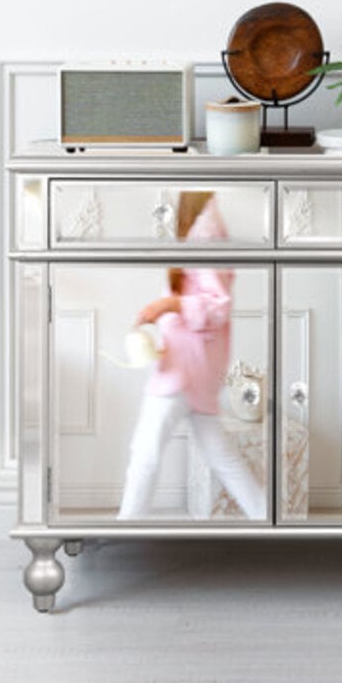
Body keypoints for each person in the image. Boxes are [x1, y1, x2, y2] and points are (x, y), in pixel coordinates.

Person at [117, 191, 265, 521]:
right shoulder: (204, 229)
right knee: (220, 456)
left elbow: (217, 306)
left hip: (184, 368)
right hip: (196, 365)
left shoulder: (205, 233)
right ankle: (267, 518)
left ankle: (126, 526)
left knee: (145, 453)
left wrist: (168, 305)